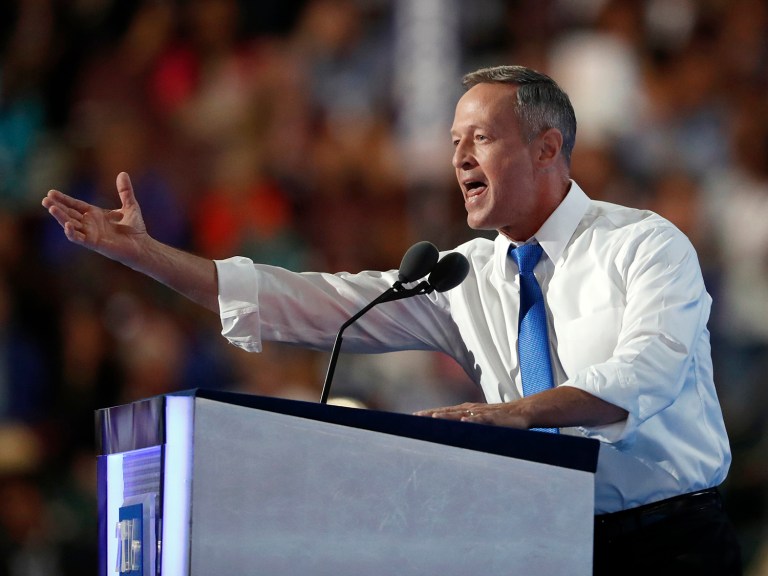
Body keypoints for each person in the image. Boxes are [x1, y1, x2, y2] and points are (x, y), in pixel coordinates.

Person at [43, 65, 740, 574]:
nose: (460, 156)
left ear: (547, 148)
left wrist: (515, 415)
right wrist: (149, 258)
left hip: (669, 541)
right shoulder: (462, 277)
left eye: (481, 138)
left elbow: (645, 374)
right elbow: (308, 303)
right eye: (454, 139)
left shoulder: (642, 245)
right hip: (542, 542)